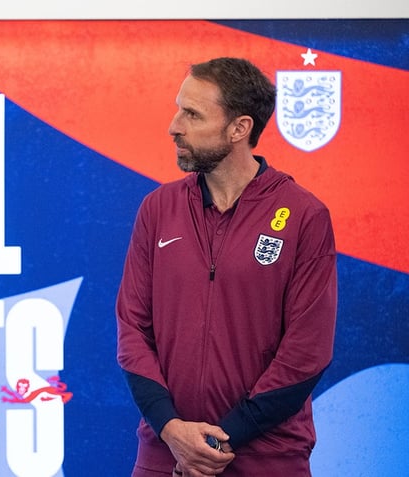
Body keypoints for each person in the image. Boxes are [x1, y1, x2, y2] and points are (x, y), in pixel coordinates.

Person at [115, 57, 337, 477]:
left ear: (239, 128)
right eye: (178, 108)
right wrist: (173, 432)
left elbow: (307, 352)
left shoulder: (304, 215)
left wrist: (215, 443)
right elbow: (132, 329)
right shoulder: (157, 209)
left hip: (265, 460)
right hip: (166, 458)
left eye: (192, 114)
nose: (174, 126)